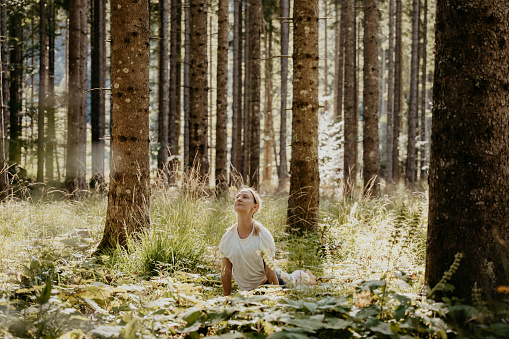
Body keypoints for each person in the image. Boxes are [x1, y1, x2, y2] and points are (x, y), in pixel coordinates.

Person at [219, 187, 279, 296]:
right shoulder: (227, 238)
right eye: (237, 197)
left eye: (245, 197)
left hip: (267, 285)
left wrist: (277, 298)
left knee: (299, 279)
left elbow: (270, 272)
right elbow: (225, 273)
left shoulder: (263, 235)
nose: (239, 199)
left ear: (254, 207)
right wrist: (226, 299)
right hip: (245, 293)